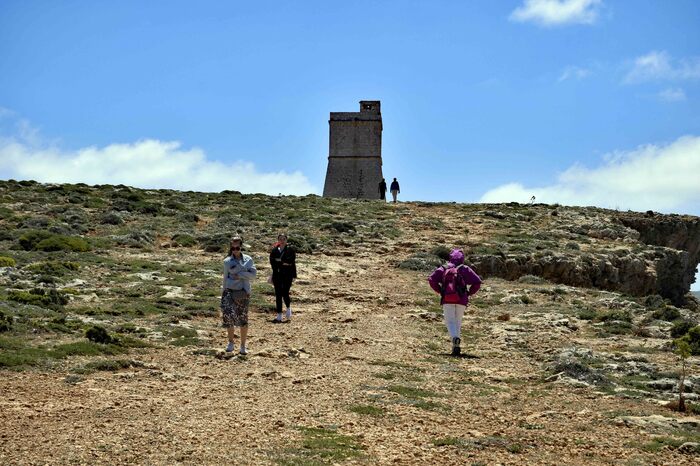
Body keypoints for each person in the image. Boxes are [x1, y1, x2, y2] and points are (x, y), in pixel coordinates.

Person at [428, 248, 482, 356]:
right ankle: (456, 346)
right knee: (458, 322)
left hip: (447, 298)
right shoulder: (465, 269)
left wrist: (440, 291)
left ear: (450, 257)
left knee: (450, 321)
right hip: (461, 299)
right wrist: (469, 293)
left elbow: (431, 279)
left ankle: (455, 339)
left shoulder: (444, 268)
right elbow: (477, 282)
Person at [221, 236, 257, 355]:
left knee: (243, 318)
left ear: (241, 247)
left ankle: (243, 346)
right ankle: (231, 342)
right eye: (233, 248)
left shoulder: (248, 260)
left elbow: (253, 275)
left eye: (237, 248)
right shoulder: (227, 261)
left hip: (243, 292)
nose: (235, 250)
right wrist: (223, 292)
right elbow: (225, 278)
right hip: (229, 291)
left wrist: (240, 275)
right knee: (228, 317)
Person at [269, 233, 297, 323]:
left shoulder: (290, 250)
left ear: (286, 240)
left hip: (288, 274)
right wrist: (282, 263)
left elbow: (291, 261)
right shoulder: (274, 250)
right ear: (278, 240)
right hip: (277, 274)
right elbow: (272, 262)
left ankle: (288, 307)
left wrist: (281, 262)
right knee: (278, 294)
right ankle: (279, 315)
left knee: (285, 292)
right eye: (280, 239)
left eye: (284, 239)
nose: (282, 240)